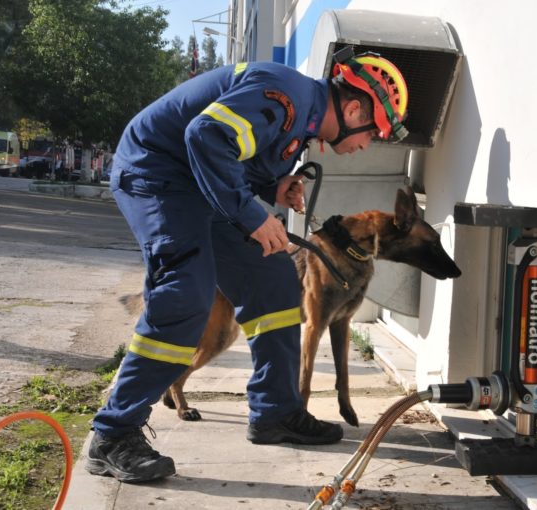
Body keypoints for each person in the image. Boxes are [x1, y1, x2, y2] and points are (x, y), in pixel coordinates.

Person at [85, 48, 409, 483]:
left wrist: (273, 187)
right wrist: (252, 215)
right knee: (185, 292)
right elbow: (205, 136)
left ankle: (275, 413)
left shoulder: (302, 116)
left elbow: (240, 154)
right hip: (158, 174)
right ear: (352, 110)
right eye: (373, 134)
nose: (366, 146)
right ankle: (113, 434)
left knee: (274, 282)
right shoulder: (286, 96)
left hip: (198, 183)